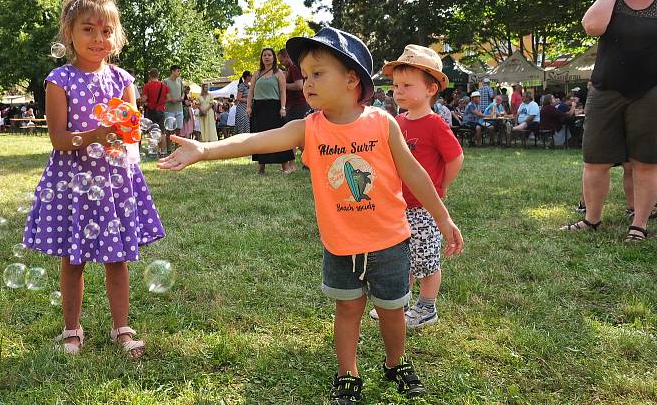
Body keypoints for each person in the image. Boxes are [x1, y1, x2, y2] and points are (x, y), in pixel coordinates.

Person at [159, 27, 464, 401]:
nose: (307, 83)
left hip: (390, 243)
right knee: (348, 309)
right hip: (341, 246)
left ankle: (395, 362)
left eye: (318, 73)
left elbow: (415, 174)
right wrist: (205, 151)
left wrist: (443, 218)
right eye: (305, 75)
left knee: (392, 313)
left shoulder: (383, 123)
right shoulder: (308, 128)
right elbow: (256, 140)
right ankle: (347, 372)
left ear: (352, 78)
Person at [23, 0, 164, 356]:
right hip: (74, 179)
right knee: (74, 257)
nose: (98, 38)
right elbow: (58, 139)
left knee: (117, 257)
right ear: (68, 33)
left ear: (116, 36)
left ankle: (122, 327)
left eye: (106, 30)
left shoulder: (123, 80)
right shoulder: (60, 81)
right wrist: (95, 135)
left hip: (114, 179)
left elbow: (130, 132)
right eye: (88, 29)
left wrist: (122, 136)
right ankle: (72, 330)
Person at [561, 0, 657, 241]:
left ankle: (638, 225)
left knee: (646, 161)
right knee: (595, 161)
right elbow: (592, 26)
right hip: (606, 90)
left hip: (650, 92)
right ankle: (591, 220)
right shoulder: (613, 0)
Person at [365, 45, 464, 329]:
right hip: (398, 205)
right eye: (396, 85)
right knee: (401, 257)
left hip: (424, 207)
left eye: (407, 85)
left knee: (426, 259)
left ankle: (427, 308)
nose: (399, 91)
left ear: (431, 89)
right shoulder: (397, 122)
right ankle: (400, 304)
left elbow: (456, 157)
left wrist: (441, 186)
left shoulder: (435, 124)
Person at [246, 47, 293, 174]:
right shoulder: (256, 74)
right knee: (260, 137)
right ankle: (261, 168)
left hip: (275, 108)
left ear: (274, 58)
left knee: (279, 137)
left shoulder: (279, 73)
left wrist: (283, 107)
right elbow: (251, 92)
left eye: (269, 55)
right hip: (259, 109)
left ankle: (285, 167)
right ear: (262, 58)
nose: (266, 57)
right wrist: (249, 107)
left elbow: (283, 92)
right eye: (264, 55)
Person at [279, 48, 309, 173]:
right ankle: (307, 163)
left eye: (282, 60)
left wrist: (282, 84)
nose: (281, 63)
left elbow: (299, 85)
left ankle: (292, 166)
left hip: (298, 105)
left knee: (293, 136)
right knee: (296, 137)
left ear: (287, 57)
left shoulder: (295, 68)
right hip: (294, 105)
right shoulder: (291, 69)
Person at [142, 69, 168, 155]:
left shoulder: (147, 85)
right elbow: (169, 98)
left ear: (150, 75)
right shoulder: (164, 86)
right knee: (163, 132)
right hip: (161, 110)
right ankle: (163, 151)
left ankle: (152, 151)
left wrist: (146, 103)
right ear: (158, 75)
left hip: (151, 110)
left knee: (151, 131)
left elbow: (144, 99)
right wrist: (162, 102)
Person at [163, 65, 184, 152]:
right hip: (169, 109)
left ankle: (177, 148)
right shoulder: (165, 81)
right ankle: (169, 149)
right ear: (172, 71)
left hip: (179, 108)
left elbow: (183, 92)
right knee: (169, 130)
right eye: (177, 71)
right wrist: (171, 99)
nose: (179, 73)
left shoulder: (180, 81)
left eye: (179, 71)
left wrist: (181, 98)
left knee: (178, 129)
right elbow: (164, 93)